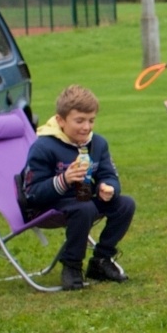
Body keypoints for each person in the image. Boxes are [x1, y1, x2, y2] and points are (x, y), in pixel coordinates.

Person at [19, 85, 137, 291]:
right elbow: (32, 193)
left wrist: (108, 187)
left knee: (125, 204)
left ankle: (101, 259)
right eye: (79, 121)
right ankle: (72, 265)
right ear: (60, 120)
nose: (86, 127)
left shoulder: (98, 144)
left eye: (91, 120)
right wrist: (64, 180)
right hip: (48, 206)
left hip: (83, 200)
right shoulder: (43, 146)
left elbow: (109, 174)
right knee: (85, 208)